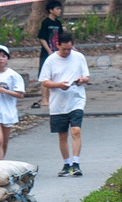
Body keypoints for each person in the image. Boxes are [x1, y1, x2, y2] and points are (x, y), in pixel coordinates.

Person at [39, 30, 92, 176]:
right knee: (62, 135)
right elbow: (45, 82)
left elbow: (86, 77)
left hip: (76, 98)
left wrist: (81, 80)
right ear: (57, 45)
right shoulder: (50, 60)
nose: (67, 52)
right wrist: (58, 85)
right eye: (64, 49)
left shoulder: (79, 57)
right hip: (58, 103)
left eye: (69, 48)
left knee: (76, 130)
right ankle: (66, 163)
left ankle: (76, 163)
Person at [32, 0, 64, 108]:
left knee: (55, 75)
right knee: (45, 76)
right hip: (47, 53)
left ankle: (53, 98)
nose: (59, 11)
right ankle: (44, 99)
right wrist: (49, 51)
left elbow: (61, 38)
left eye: (60, 9)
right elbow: (42, 38)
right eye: (57, 9)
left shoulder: (58, 23)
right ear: (51, 10)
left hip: (57, 52)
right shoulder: (46, 22)